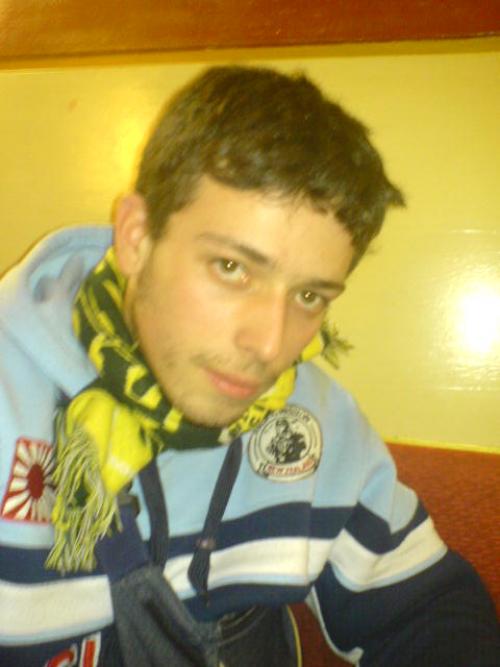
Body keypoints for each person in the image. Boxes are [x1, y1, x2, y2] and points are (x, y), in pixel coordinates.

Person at [0, 65, 498, 667]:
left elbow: (427, 610)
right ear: (135, 237)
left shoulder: (312, 418)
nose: (268, 345)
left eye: (309, 296)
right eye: (232, 268)